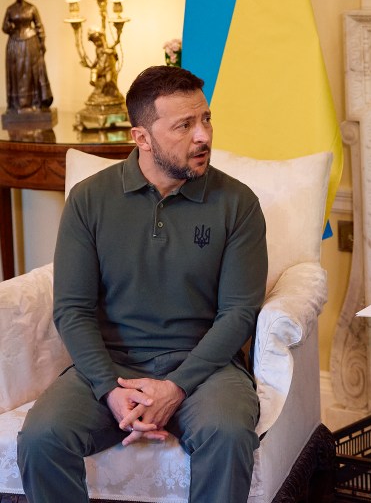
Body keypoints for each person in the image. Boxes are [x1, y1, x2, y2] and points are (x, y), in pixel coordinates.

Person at [17, 65, 268, 502]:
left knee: (228, 434)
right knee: (41, 439)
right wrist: (109, 391)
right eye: (184, 125)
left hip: (205, 370)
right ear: (141, 138)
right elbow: (71, 310)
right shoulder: (89, 200)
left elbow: (239, 314)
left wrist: (176, 387)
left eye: (205, 118)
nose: (203, 136)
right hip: (112, 367)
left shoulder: (238, 203)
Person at [3, 0, 53, 111]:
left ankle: (35, 101)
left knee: (32, 71)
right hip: (15, 44)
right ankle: (18, 103)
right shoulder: (10, 9)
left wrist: (42, 43)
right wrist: (10, 28)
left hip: (31, 42)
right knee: (17, 72)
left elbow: (39, 26)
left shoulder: (32, 8)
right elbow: (4, 26)